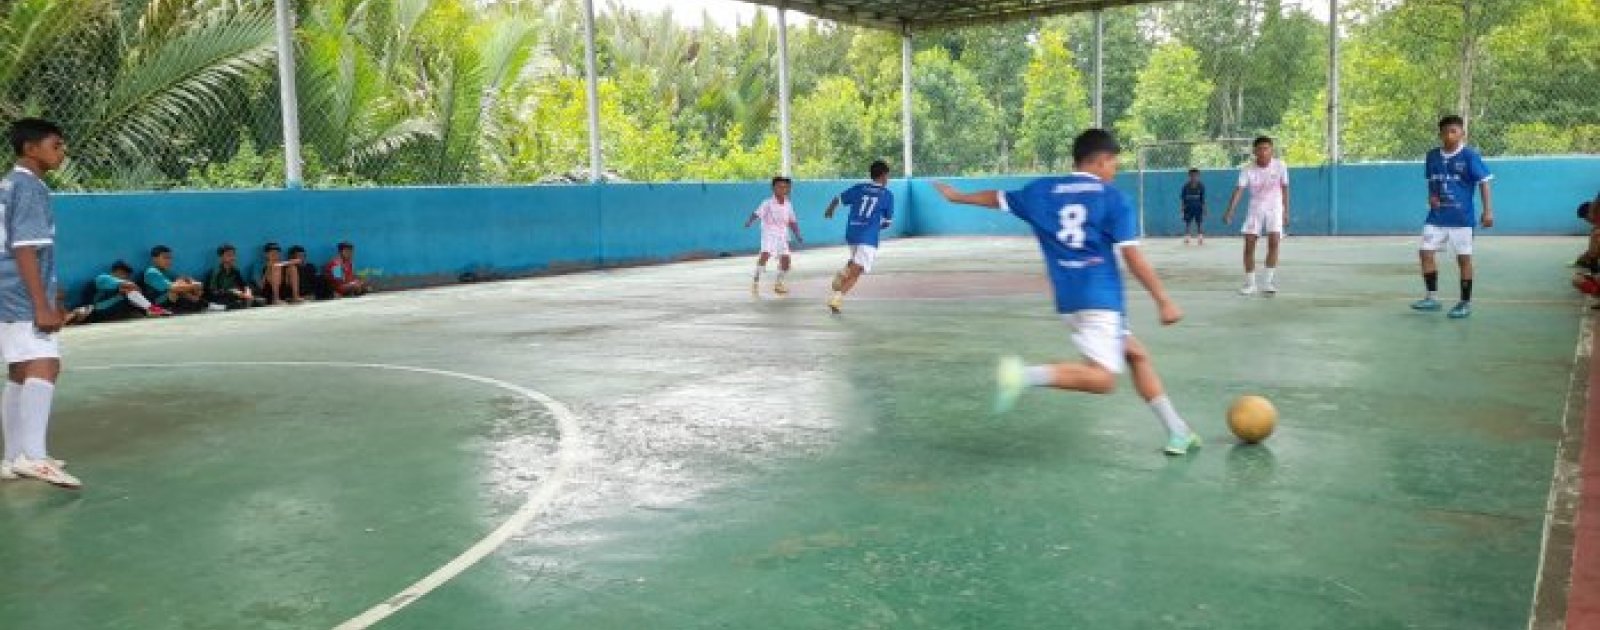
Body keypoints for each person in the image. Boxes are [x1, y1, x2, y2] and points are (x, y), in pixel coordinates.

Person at [932, 129, 1201, 457]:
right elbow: (1133, 258)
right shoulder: (1112, 199)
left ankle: (1178, 431)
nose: (1114, 170)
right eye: (1113, 163)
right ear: (1101, 161)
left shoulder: (1041, 191)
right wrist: (1163, 300)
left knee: (1136, 355)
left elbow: (997, 197)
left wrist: (958, 197)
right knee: (1103, 379)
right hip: (1101, 300)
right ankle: (1023, 376)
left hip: (1069, 300)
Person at [0, 118, 80, 488]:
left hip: (8, 288)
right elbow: (25, 248)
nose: (62, 152)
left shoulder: (9, 184)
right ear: (30, 149)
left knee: (20, 369)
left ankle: (13, 457)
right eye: (56, 145)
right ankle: (33, 457)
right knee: (45, 364)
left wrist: (51, 294)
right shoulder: (29, 187)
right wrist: (41, 304)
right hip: (19, 291)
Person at [1410, 115, 1494, 319]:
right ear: (1440, 134)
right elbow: (1432, 181)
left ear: (1462, 133)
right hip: (1437, 217)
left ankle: (1465, 302)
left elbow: (1484, 182)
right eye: (1445, 132)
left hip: (1461, 218)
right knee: (1425, 253)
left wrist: (1488, 211)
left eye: (1453, 131)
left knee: (1463, 258)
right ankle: (1431, 297)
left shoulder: (1470, 156)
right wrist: (1432, 196)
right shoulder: (1432, 156)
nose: (1449, 135)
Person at [822, 160, 895, 313]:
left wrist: (830, 209)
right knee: (857, 271)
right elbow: (887, 222)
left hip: (852, 232)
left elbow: (838, 199)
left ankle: (844, 271)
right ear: (884, 176)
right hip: (868, 237)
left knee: (856, 262)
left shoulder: (859, 188)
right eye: (888, 176)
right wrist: (878, 226)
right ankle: (837, 298)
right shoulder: (887, 195)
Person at [1222, 136, 1290, 296]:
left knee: (1274, 242)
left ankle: (1267, 282)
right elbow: (1239, 190)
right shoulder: (1247, 169)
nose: (1263, 152)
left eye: (1266, 149)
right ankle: (1250, 284)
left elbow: (1285, 188)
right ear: (1254, 151)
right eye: (1260, 149)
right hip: (1256, 208)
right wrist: (1230, 210)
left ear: (1271, 150)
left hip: (1275, 208)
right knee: (1249, 245)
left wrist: (1286, 211)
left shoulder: (1280, 166)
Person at [744, 176, 803, 296]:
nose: (782, 189)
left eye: (785, 187)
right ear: (773, 188)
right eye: (779, 187)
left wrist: (797, 234)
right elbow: (756, 213)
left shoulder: (788, 204)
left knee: (786, 261)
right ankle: (756, 279)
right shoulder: (767, 203)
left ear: (788, 189)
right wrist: (750, 221)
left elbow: (792, 221)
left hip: (782, 235)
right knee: (766, 254)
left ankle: (778, 284)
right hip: (769, 233)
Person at [84, 260, 170, 322]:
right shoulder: (103, 278)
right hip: (97, 309)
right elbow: (131, 285)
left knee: (129, 295)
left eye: (128, 276)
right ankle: (151, 309)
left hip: (112, 311)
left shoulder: (120, 286)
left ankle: (150, 310)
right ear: (116, 272)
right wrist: (137, 290)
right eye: (124, 275)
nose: (127, 278)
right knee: (128, 290)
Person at [143, 245, 208, 312]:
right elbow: (174, 288)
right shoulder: (151, 272)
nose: (169, 261)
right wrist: (194, 286)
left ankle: (201, 304)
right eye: (165, 258)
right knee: (176, 290)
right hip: (156, 303)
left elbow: (183, 278)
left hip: (170, 298)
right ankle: (202, 304)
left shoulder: (166, 271)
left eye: (170, 258)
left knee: (183, 282)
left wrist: (193, 283)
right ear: (155, 259)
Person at [205, 243, 262, 309]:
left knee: (260, 301)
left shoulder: (235, 271)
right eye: (229, 255)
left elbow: (244, 285)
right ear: (221, 257)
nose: (232, 258)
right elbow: (213, 291)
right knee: (236, 304)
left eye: (233, 255)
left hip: (234, 296)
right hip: (219, 297)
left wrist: (248, 292)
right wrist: (231, 291)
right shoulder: (215, 272)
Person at [1180, 168, 1207, 245]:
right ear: (1189, 176)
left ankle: (1200, 237)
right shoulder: (1185, 186)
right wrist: (1182, 208)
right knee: (1188, 222)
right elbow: (1183, 199)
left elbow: (1203, 199)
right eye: (1192, 176)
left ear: (1198, 176)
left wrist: (1204, 208)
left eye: (1196, 176)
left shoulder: (1201, 186)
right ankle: (1187, 237)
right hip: (1188, 207)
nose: (1194, 177)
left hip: (1198, 207)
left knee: (1199, 223)